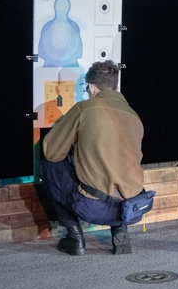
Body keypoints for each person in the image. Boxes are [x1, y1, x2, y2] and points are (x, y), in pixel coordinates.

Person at [38, 60, 145, 255]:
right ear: (116, 86)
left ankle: (75, 238)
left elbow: (52, 153)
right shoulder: (134, 115)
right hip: (132, 207)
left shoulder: (84, 108)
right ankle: (121, 234)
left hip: (94, 208)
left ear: (91, 87)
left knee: (49, 166)